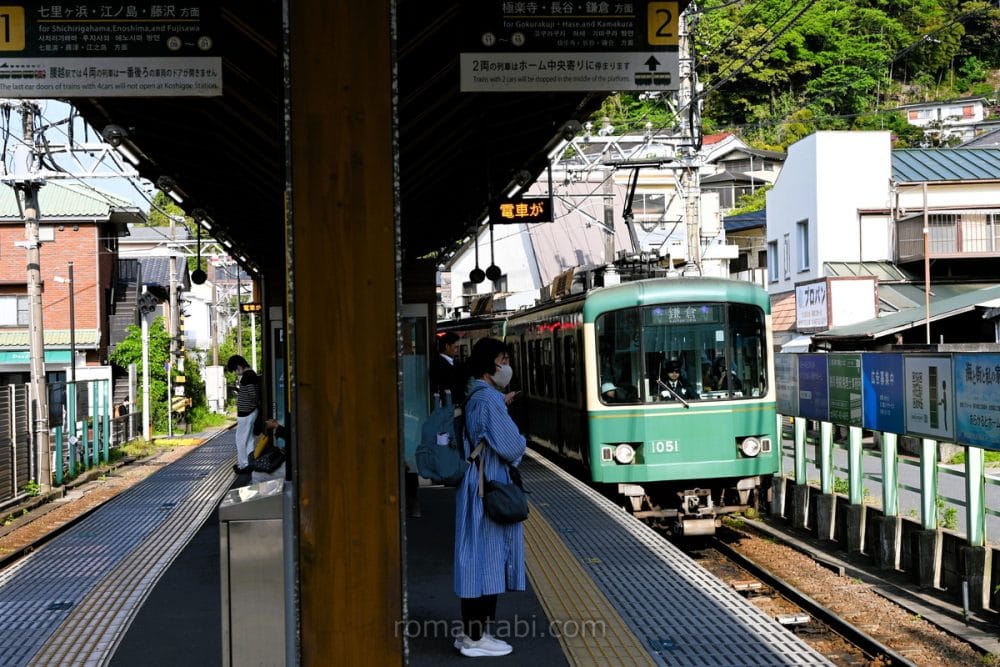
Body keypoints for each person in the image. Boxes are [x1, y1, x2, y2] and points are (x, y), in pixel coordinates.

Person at [453, 337, 525, 657]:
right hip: (490, 486)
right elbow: (511, 446)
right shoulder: (489, 399)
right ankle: (476, 637)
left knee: (475, 560)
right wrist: (516, 433)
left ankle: (472, 632)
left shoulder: (476, 396)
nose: (506, 365)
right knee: (488, 560)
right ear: (488, 367)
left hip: (476, 483)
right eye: (502, 359)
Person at [226, 355, 260, 475]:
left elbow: (253, 395)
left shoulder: (248, 376)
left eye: (235, 370)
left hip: (246, 413)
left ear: (239, 366)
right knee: (249, 439)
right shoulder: (251, 375)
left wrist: (251, 406)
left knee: (240, 439)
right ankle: (250, 462)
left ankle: (243, 465)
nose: (236, 373)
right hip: (249, 412)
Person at [430, 331, 464, 402]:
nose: (457, 350)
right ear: (447, 346)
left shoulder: (456, 362)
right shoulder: (437, 364)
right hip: (445, 403)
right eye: (455, 347)